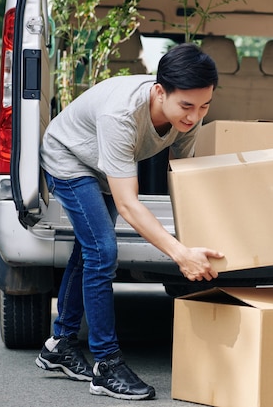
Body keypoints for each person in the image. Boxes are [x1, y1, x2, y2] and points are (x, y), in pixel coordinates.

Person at [34, 43, 224, 400]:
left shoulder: (189, 117)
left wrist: (202, 232)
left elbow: (183, 176)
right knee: (103, 250)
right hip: (70, 157)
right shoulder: (121, 115)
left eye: (204, 106)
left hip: (103, 166)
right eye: (186, 106)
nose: (194, 116)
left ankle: (59, 343)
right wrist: (180, 254)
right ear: (159, 91)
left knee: (89, 249)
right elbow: (129, 205)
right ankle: (106, 365)